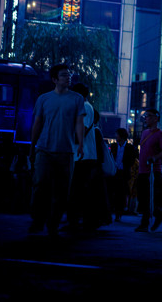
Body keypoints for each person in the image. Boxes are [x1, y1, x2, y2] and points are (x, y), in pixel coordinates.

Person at [28, 64, 86, 237]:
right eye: (63, 75)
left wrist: (81, 144)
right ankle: (38, 221)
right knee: (40, 186)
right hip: (44, 149)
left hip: (66, 150)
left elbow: (79, 123)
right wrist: (32, 146)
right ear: (54, 79)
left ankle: (53, 224)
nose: (67, 78)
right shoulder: (44, 99)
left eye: (69, 75)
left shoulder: (77, 99)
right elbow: (37, 123)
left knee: (61, 191)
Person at [65, 82, 98, 232]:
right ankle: (77, 220)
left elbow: (81, 131)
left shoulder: (85, 108)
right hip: (83, 155)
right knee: (78, 188)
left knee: (77, 189)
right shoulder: (85, 107)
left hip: (82, 156)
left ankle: (76, 220)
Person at [135, 109, 162, 233]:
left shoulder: (161, 134)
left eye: (148, 116)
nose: (146, 119)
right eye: (145, 116)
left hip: (153, 171)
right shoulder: (144, 133)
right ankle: (158, 215)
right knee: (143, 197)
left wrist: (154, 158)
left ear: (156, 118)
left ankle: (145, 223)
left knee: (150, 197)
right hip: (142, 170)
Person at [110, 128, 138, 220]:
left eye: (117, 135)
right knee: (112, 192)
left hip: (123, 172)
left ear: (121, 136)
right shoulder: (113, 146)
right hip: (113, 172)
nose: (115, 136)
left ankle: (119, 213)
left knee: (121, 193)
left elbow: (132, 160)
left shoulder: (130, 148)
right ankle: (113, 211)